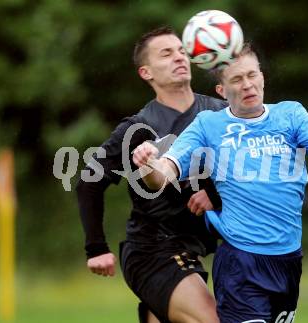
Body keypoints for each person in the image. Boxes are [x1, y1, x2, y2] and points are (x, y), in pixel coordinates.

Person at [132, 43, 308, 322]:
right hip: (241, 263)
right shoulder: (207, 125)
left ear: (262, 77)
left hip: (288, 259)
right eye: (236, 79)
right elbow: (162, 176)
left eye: (252, 75)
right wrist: (148, 164)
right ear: (221, 91)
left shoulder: (291, 115)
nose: (247, 84)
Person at [76, 26, 227, 323]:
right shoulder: (138, 128)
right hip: (153, 250)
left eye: (182, 51)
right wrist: (96, 248)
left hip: (198, 249)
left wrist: (215, 195)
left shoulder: (221, 113)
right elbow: (88, 181)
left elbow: (250, 169)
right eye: (166, 54)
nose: (179, 58)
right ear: (146, 73)